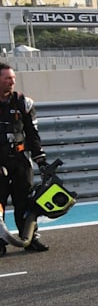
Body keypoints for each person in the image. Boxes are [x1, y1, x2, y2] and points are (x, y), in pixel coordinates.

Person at [0, 63, 49, 252]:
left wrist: (40, 159)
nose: (11, 82)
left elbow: (32, 134)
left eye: (13, 78)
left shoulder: (23, 103)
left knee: (26, 200)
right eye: (7, 78)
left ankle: (30, 236)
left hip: (20, 160)